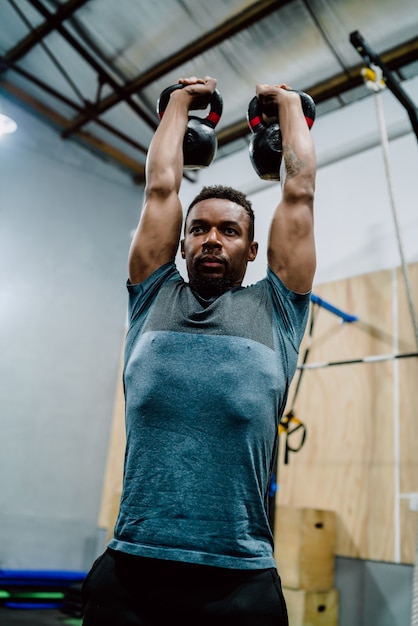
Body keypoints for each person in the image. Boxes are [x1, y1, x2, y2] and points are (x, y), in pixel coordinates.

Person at [82, 75, 316, 626]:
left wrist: (286, 107)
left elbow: (299, 192)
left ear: (253, 248)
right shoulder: (151, 298)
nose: (212, 238)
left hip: (238, 580)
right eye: (200, 229)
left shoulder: (277, 309)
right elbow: (161, 188)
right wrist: (183, 103)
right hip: (131, 572)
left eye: (229, 231)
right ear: (181, 242)